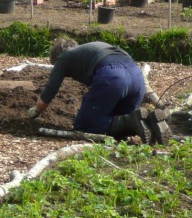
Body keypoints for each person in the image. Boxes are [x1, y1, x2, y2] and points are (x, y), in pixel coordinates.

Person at [27, 38, 170, 144]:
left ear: (56, 57)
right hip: (136, 78)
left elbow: (49, 91)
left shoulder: (64, 58)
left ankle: (130, 121)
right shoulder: (94, 48)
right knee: (116, 120)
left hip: (113, 76)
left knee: (84, 126)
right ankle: (149, 122)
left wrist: (36, 111)